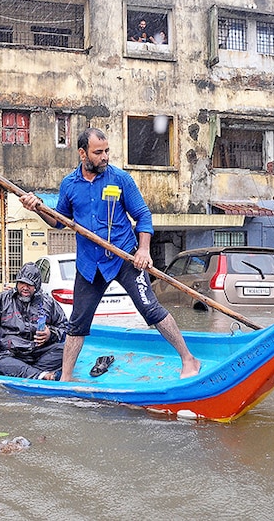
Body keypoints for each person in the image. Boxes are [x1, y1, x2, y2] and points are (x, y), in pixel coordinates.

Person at [20, 127, 201, 382]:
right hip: (89, 265)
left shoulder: (120, 179)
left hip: (124, 258)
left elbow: (143, 216)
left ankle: (189, 359)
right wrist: (37, 207)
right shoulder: (70, 185)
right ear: (83, 153)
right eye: (98, 152)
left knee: (151, 309)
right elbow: (58, 221)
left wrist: (144, 250)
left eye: (106, 151)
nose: (104, 157)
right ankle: (67, 378)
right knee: (77, 323)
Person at [0, 262, 67, 380]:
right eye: (22, 283)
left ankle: (26, 372)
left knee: (66, 350)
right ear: (17, 283)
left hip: (38, 354)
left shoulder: (48, 303)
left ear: (36, 286)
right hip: (10, 355)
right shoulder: (3, 299)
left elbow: (65, 328)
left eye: (29, 284)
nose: (25, 288)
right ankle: (38, 374)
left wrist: (50, 334)